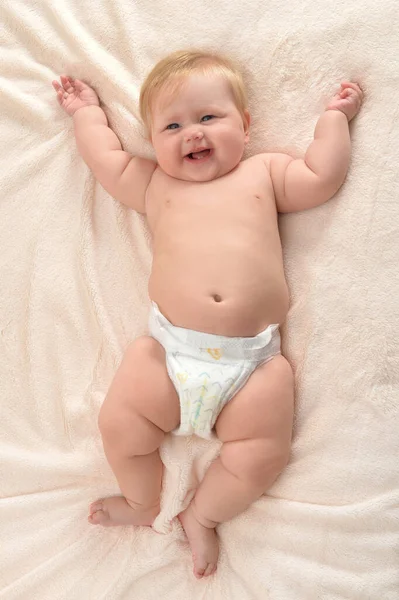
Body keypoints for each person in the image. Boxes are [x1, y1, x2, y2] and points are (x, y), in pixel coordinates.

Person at [52, 50, 363, 579]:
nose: (191, 134)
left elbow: (320, 177)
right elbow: (107, 161)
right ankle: (145, 502)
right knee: (120, 422)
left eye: (208, 118)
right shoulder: (154, 184)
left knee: (264, 452)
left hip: (253, 364)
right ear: (153, 141)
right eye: (171, 126)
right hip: (171, 352)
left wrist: (333, 121)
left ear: (245, 126)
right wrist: (86, 114)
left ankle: (203, 514)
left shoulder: (265, 173)